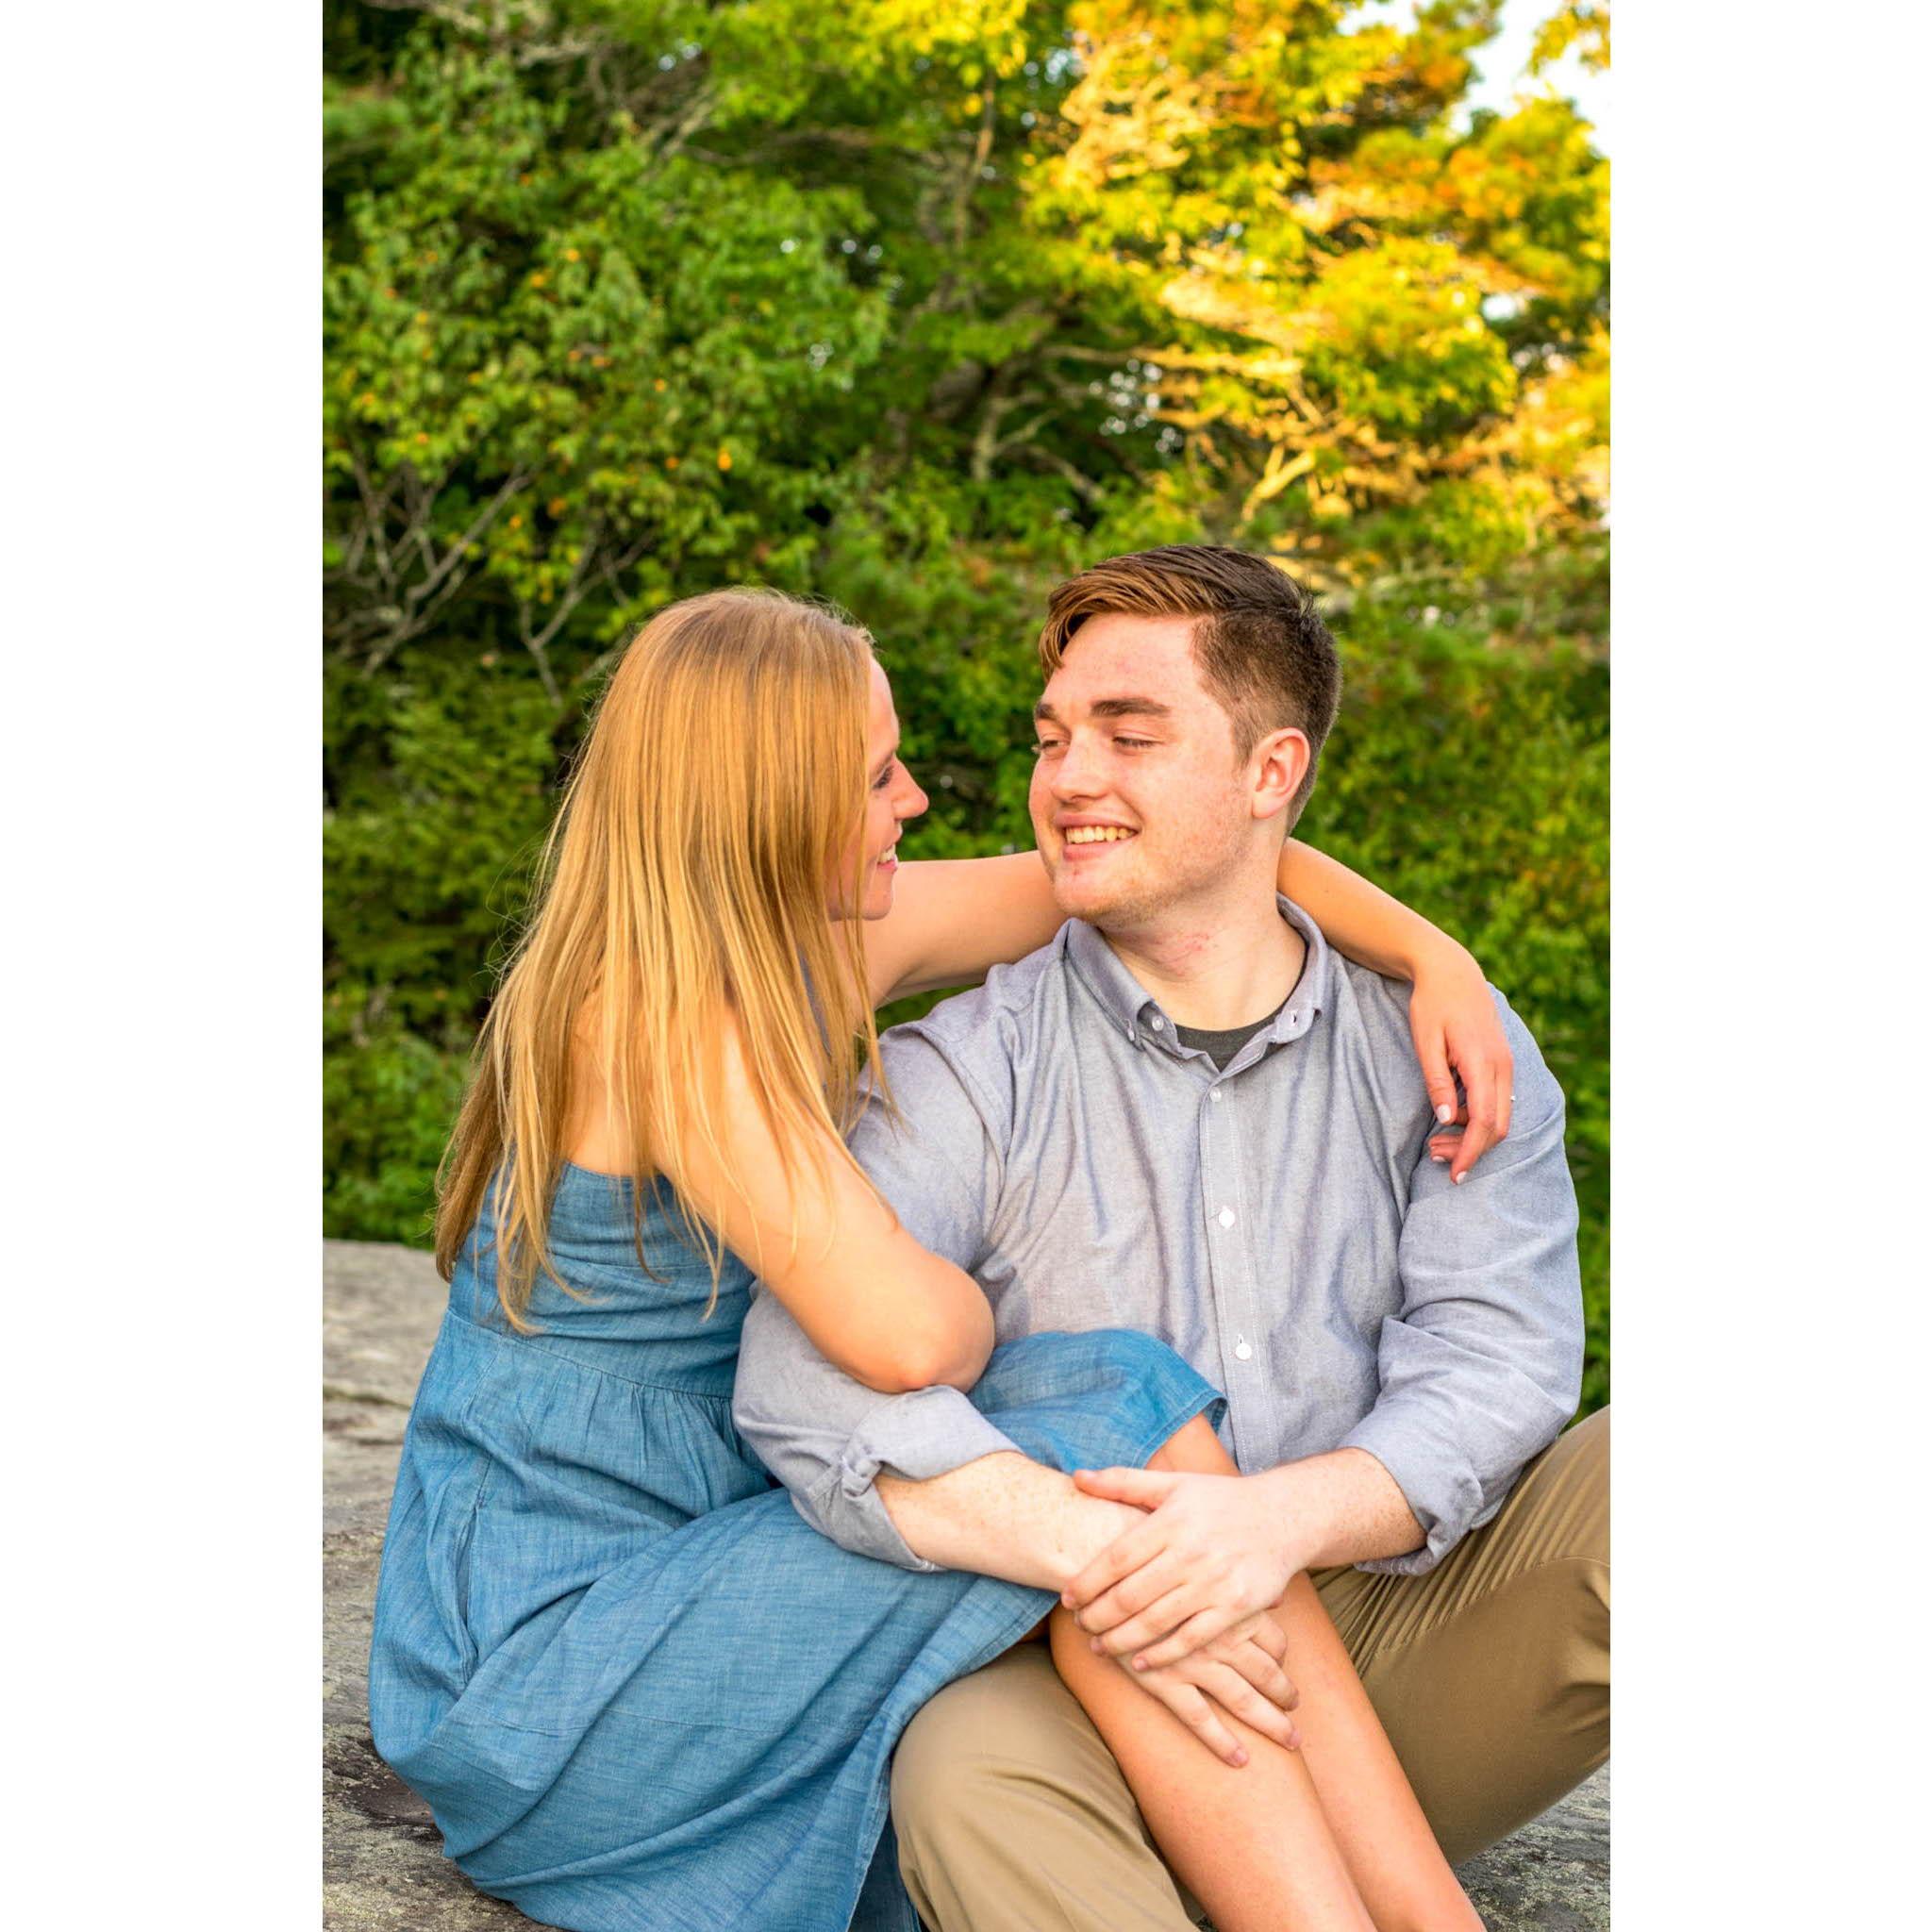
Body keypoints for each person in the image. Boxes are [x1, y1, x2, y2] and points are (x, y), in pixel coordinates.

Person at [368, 583, 1514, 1932]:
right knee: (1111, 1424)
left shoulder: (828, 943)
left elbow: (1180, 861)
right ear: (770, 805)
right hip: (563, 1663)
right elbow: (911, 1337)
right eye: (875, 774)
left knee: (1123, 1498)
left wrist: (1434, 958)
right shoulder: (659, 1018)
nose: (912, 800)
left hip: (715, 1580)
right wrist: (975, 1302)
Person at [735, 545, 1609, 1932]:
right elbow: (798, 1382)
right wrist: (1114, 1553)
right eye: (1053, 736)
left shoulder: (1445, 1050)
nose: (1068, 776)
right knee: (960, 1774)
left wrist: (1269, 1524)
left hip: (1397, 1632)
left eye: (1129, 734)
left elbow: (1502, 1366)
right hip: (1115, 1669)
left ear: (1273, 775)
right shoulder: (965, 1067)